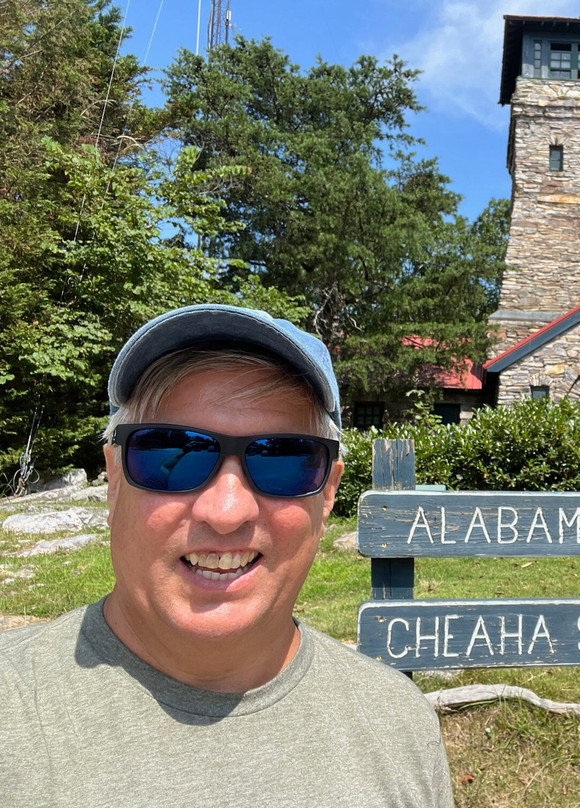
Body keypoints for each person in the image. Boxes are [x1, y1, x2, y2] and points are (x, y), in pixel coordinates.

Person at [0, 304, 454, 807]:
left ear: (327, 497)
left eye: (282, 459)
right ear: (113, 480)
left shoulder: (401, 725)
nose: (227, 511)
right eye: (172, 454)